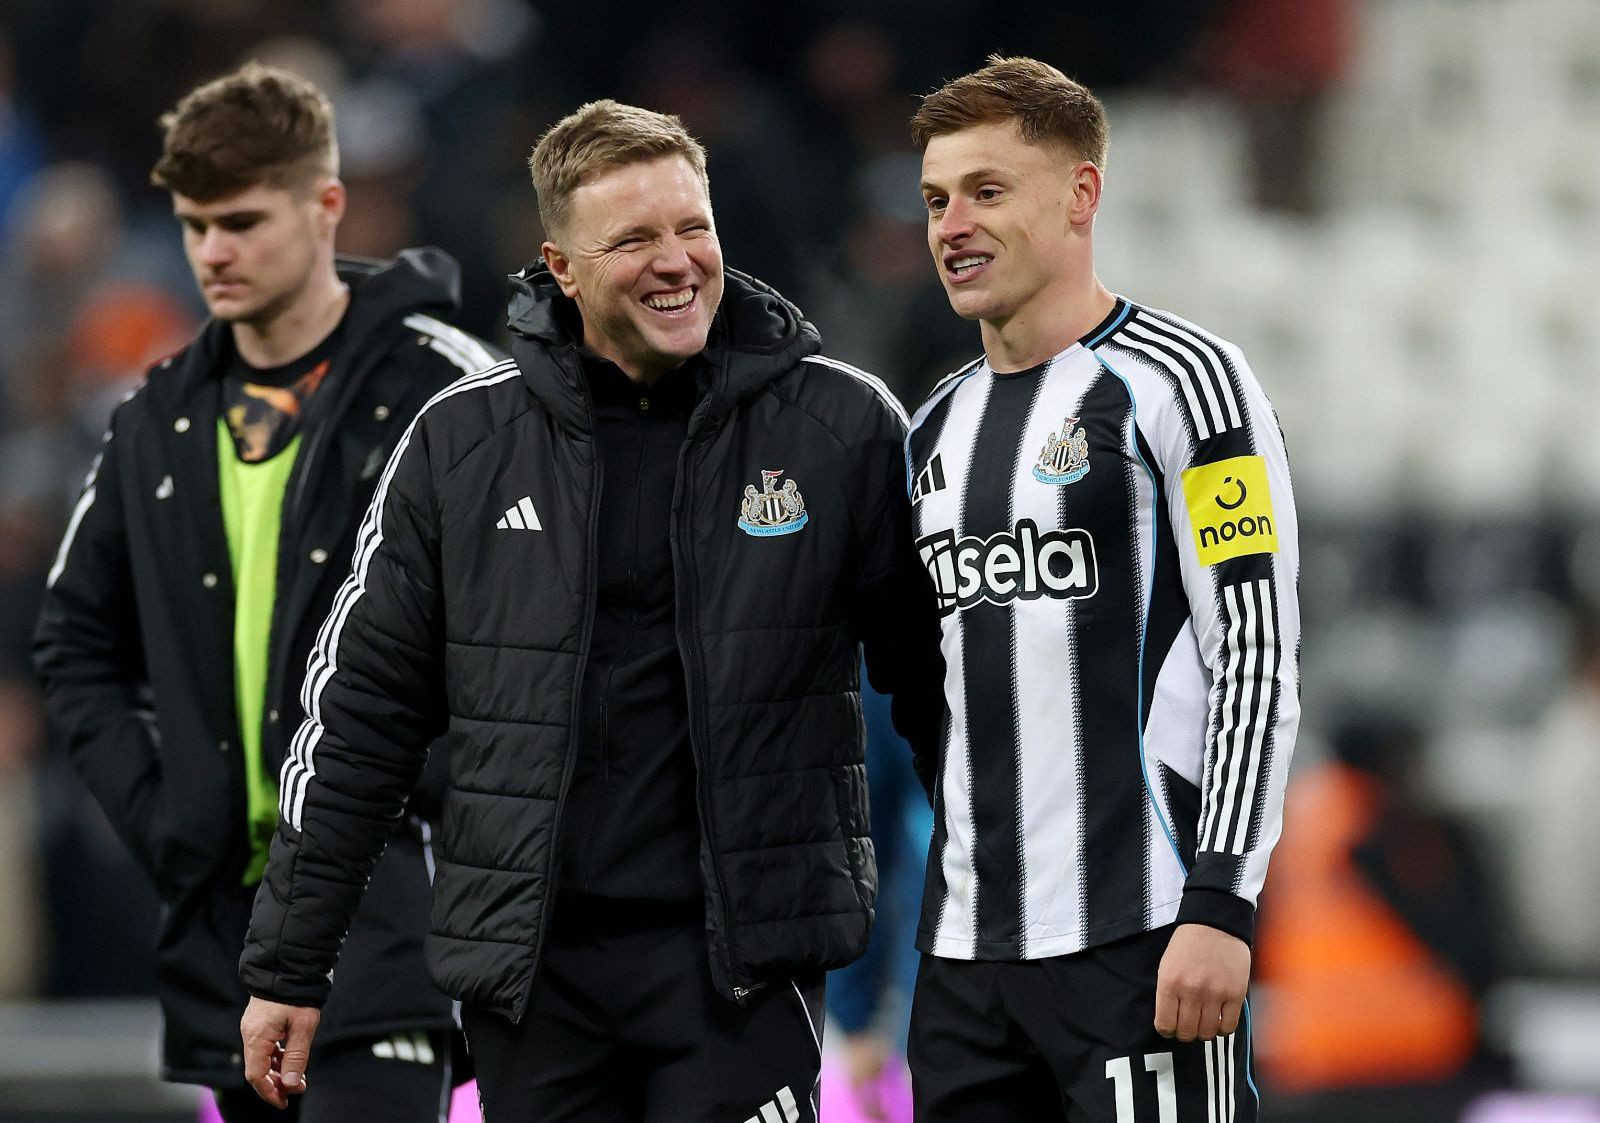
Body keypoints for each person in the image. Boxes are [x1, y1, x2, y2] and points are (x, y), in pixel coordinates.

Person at [236, 99, 943, 1123]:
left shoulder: (840, 427)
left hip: (744, 975)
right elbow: (358, 721)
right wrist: (288, 965)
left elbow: (942, 698)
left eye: (692, 227)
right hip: (536, 983)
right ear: (561, 267)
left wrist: (1010, 927)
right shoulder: (461, 445)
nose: (676, 261)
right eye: (634, 239)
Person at [32, 63, 501, 1122]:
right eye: (194, 226)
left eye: (241, 221)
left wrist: (429, 801)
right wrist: (166, 815)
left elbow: (538, 628)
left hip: (395, 912)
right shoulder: (155, 417)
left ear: (326, 204)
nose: (212, 252)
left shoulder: (450, 390)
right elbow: (71, 641)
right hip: (226, 934)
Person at [904, 56, 1301, 1121]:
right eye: (936, 200)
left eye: (987, 191)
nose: (952, 225)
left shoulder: (1188, 384)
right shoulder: (930, 428)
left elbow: (1255, 650)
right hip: (964, 962)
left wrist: (1222, 898)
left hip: (1145, 937)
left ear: (1081, 194)